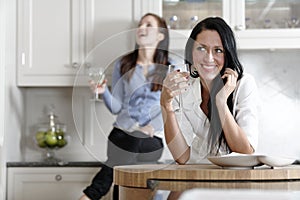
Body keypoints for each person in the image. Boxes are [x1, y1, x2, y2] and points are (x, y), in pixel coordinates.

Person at [79, 13, 170, 200]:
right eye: (140, 24)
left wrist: (152, 127)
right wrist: (104, 91)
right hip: (120, 134)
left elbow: (172, 106)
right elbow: (116, 108)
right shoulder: (124, 64)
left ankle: (90, 196)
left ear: (160, 35)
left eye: (148, 25)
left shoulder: (170, 67)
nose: (141, 28)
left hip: (151, 139)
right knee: (123, 175)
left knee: (127, 151)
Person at [160, 17, 259, 165]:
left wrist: (220, 102)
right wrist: (165, 104)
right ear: (190, 52)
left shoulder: (244, 84)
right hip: (198, 172)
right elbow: (181, 156)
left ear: (227, 55)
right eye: (201, 48)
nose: (209, 58)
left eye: (218, 50)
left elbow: (245, 152)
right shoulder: (182, 88)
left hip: (237, 178)